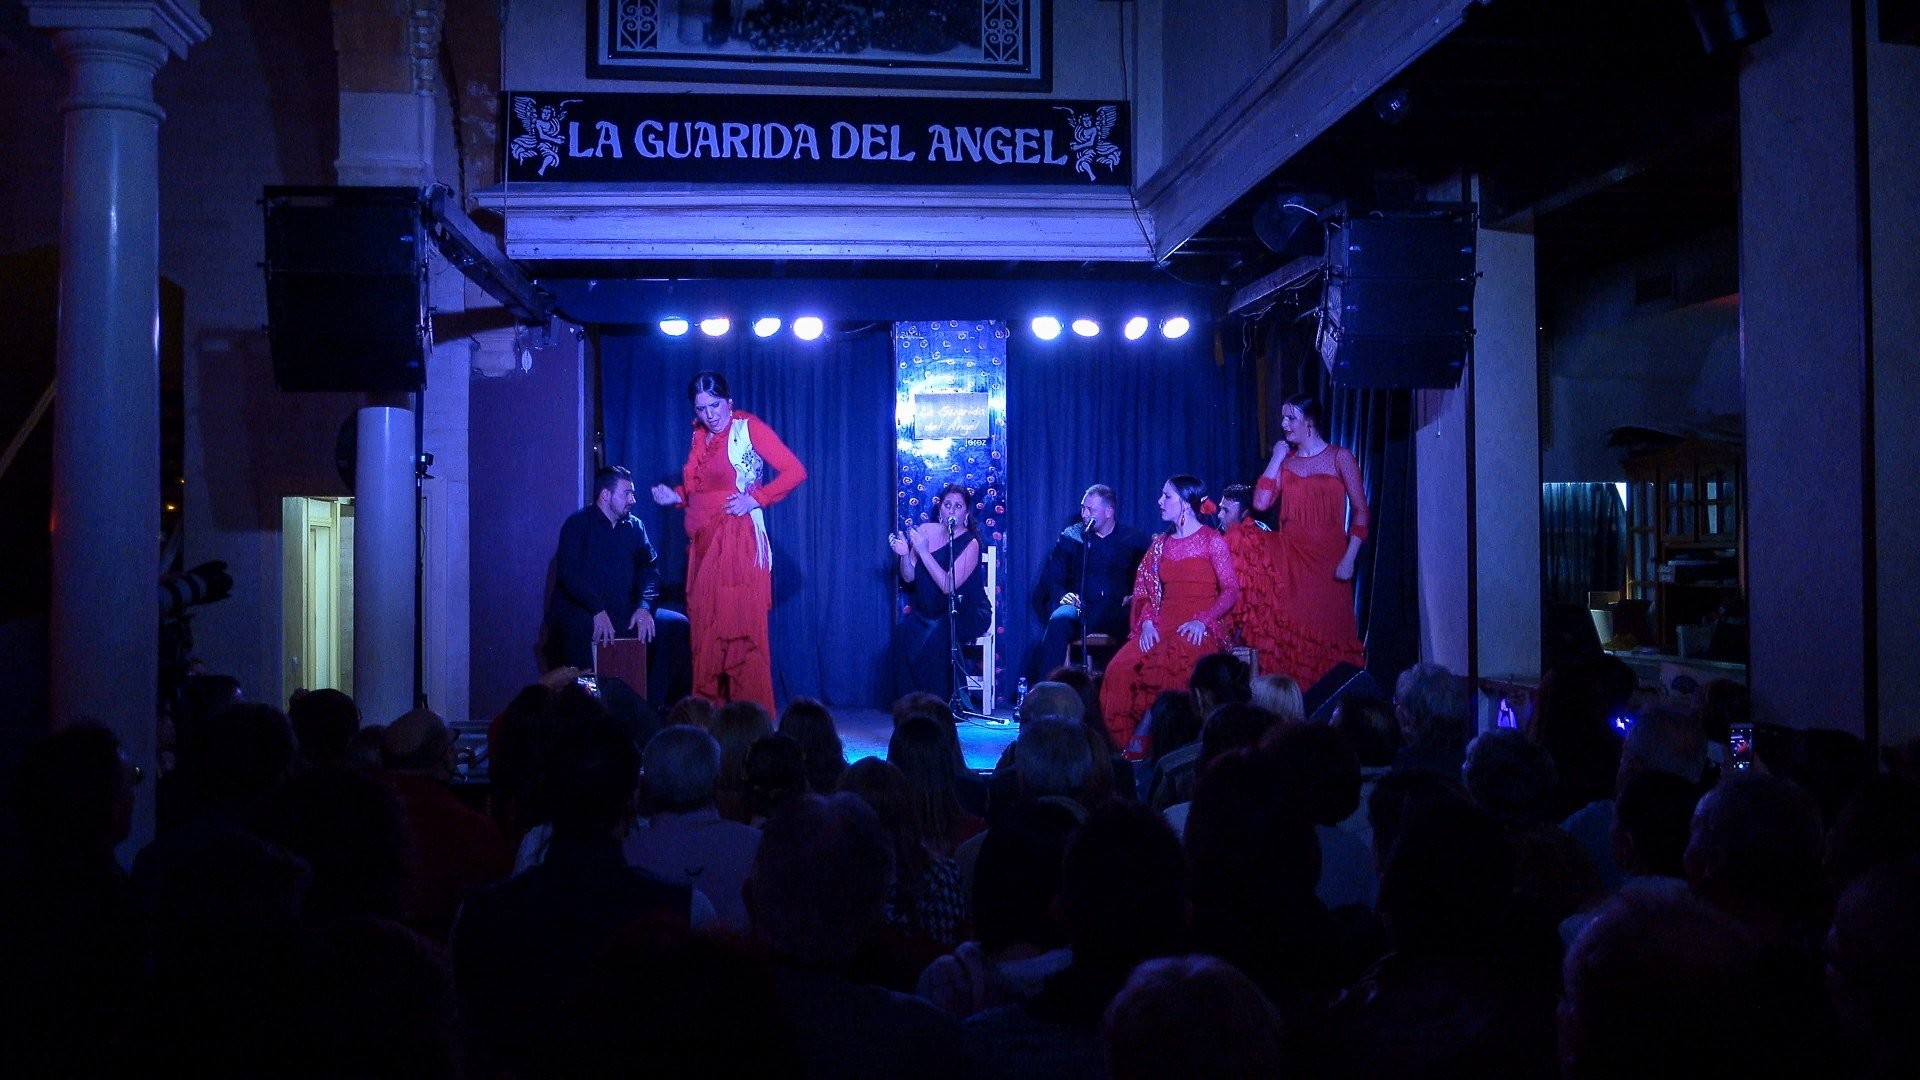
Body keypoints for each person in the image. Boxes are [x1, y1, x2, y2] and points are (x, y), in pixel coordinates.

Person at [651, 371, 806, 713]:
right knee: (707, 636)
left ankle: (751, 725)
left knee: (738, 635)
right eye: (702, 408)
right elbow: (698, 491)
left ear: (729, 401)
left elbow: (795, 470)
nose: (710, 414)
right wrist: (674, 496)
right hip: (703, 548)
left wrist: (758, 498)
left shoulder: (746, 429)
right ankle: (714, 726)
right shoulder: (700, 438)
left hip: (735, 543)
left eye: (715, 404)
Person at [1096, 476, 1240, 755]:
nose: (1159, 502)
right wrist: (1147, 621)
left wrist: (1203, 620)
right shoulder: (1160, 544)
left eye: (1167, 497)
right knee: (1118, 669)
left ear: (1186, 504)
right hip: (1161, 623)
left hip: (1199, 624)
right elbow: (1143, 589)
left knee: (1173, 663)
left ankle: (1148, 744)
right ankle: (1121, 750)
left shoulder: (1212, 541)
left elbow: (1231, 590)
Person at [546, 464, 692, 706]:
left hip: (625, 610)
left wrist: (644, 607)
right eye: (627, 493)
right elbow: (569, 574)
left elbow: (649, 570)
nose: (633, 500)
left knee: (676, 625)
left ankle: (653, 707)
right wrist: (596, 610)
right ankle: (589, 707)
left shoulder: (635, 527)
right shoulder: (578, 525)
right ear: (605, 495)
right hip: (585, 610)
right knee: (578, 629)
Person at [1251, 394, 1368, 689]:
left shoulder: (1340, 457)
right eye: (1282, 418)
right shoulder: (1286, 463)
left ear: (1310, 422)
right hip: (1292, 563)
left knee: (1330, 637)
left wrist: (1350, 558)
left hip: (1331, 562)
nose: (1284, 424)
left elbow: (1361, 510)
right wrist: (1277, 457)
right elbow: (1261, 502)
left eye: (1291, 418)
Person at [1030, 484, 1151, 680]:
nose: (1084, 514)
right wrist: (1063, 595)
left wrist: (1134, 596)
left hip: (1116, 610)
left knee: (1135, 620)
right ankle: (1047, 691)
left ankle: (1125, 690)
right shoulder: (1073, 536)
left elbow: (1147, 579)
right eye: (1083, 508)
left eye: (1090, 510)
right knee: (1059, 619)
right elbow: (1051, 577)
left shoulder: (1134, 539)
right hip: (1081, 608)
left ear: (1109, 512)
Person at [887, 483, 993, 702]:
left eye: (958, 506)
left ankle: (939, 703)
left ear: (966, 513)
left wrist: (924, 552)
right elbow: (909, 577)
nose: (952, 510)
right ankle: (910, 702)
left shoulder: (971, 543)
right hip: (930, 610)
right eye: (947, 505)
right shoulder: (925, 531)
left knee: (940, 633)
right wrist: (905, 554)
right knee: (903, 633)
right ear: (940, 510)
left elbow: (948, 586)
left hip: (966, 611)